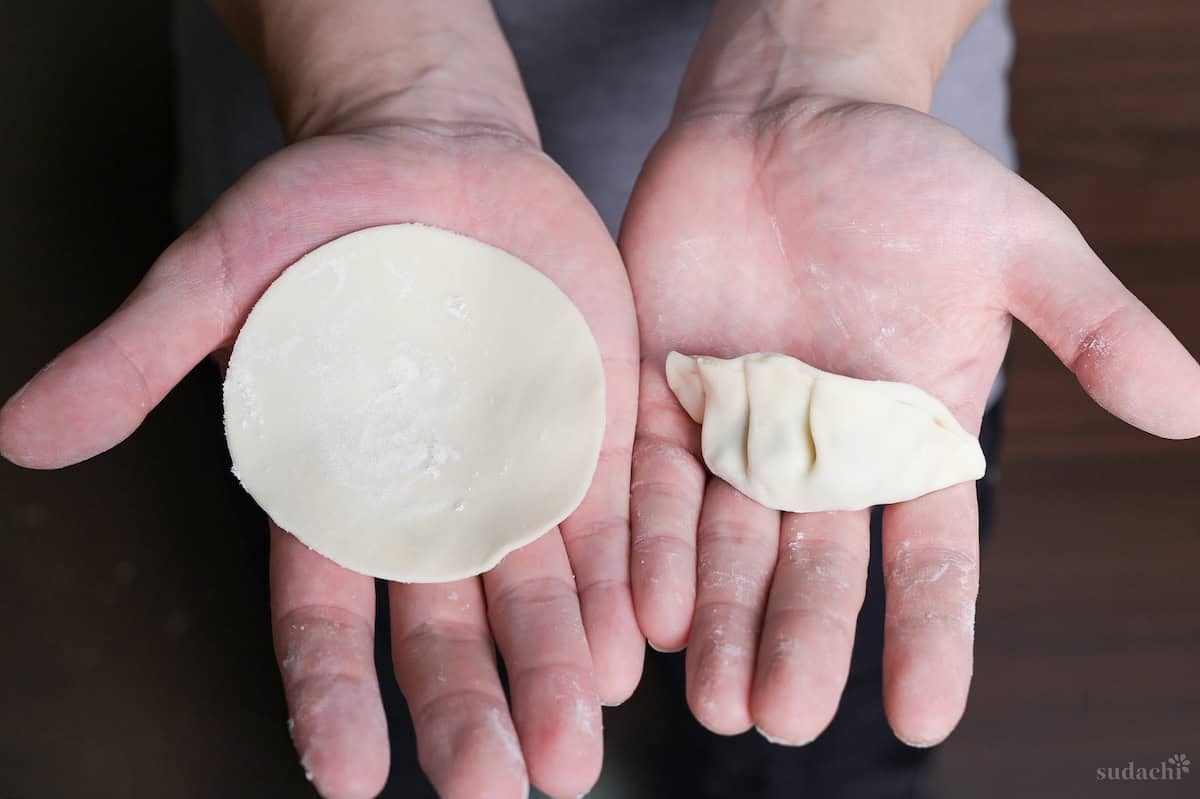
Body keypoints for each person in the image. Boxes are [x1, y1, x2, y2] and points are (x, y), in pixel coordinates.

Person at [3, 1, 1198, 798]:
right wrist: (372, 62)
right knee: (427, 677)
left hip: (848, 267)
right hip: (356, 270)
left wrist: (832, 47)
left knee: (815, 686)